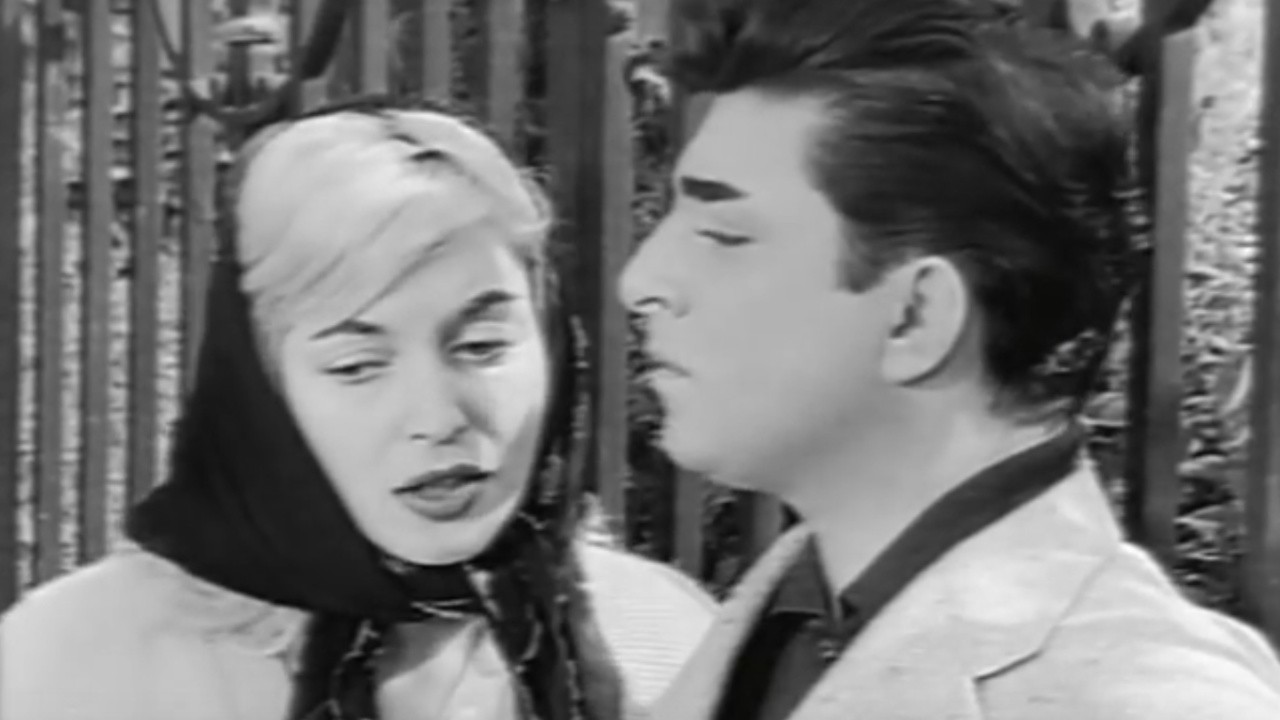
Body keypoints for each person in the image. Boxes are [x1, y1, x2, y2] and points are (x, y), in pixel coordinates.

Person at [620, 1, 1280, 719]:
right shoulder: (787, 616)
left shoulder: (1145, 697)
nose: (641, 281)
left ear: (917, 314)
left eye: (722, 235)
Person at [0, 102, 715, 720]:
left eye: (481, 347)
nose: (438, 417)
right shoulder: (73, 664)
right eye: (357, 366)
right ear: (263, 394)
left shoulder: (666, 641)